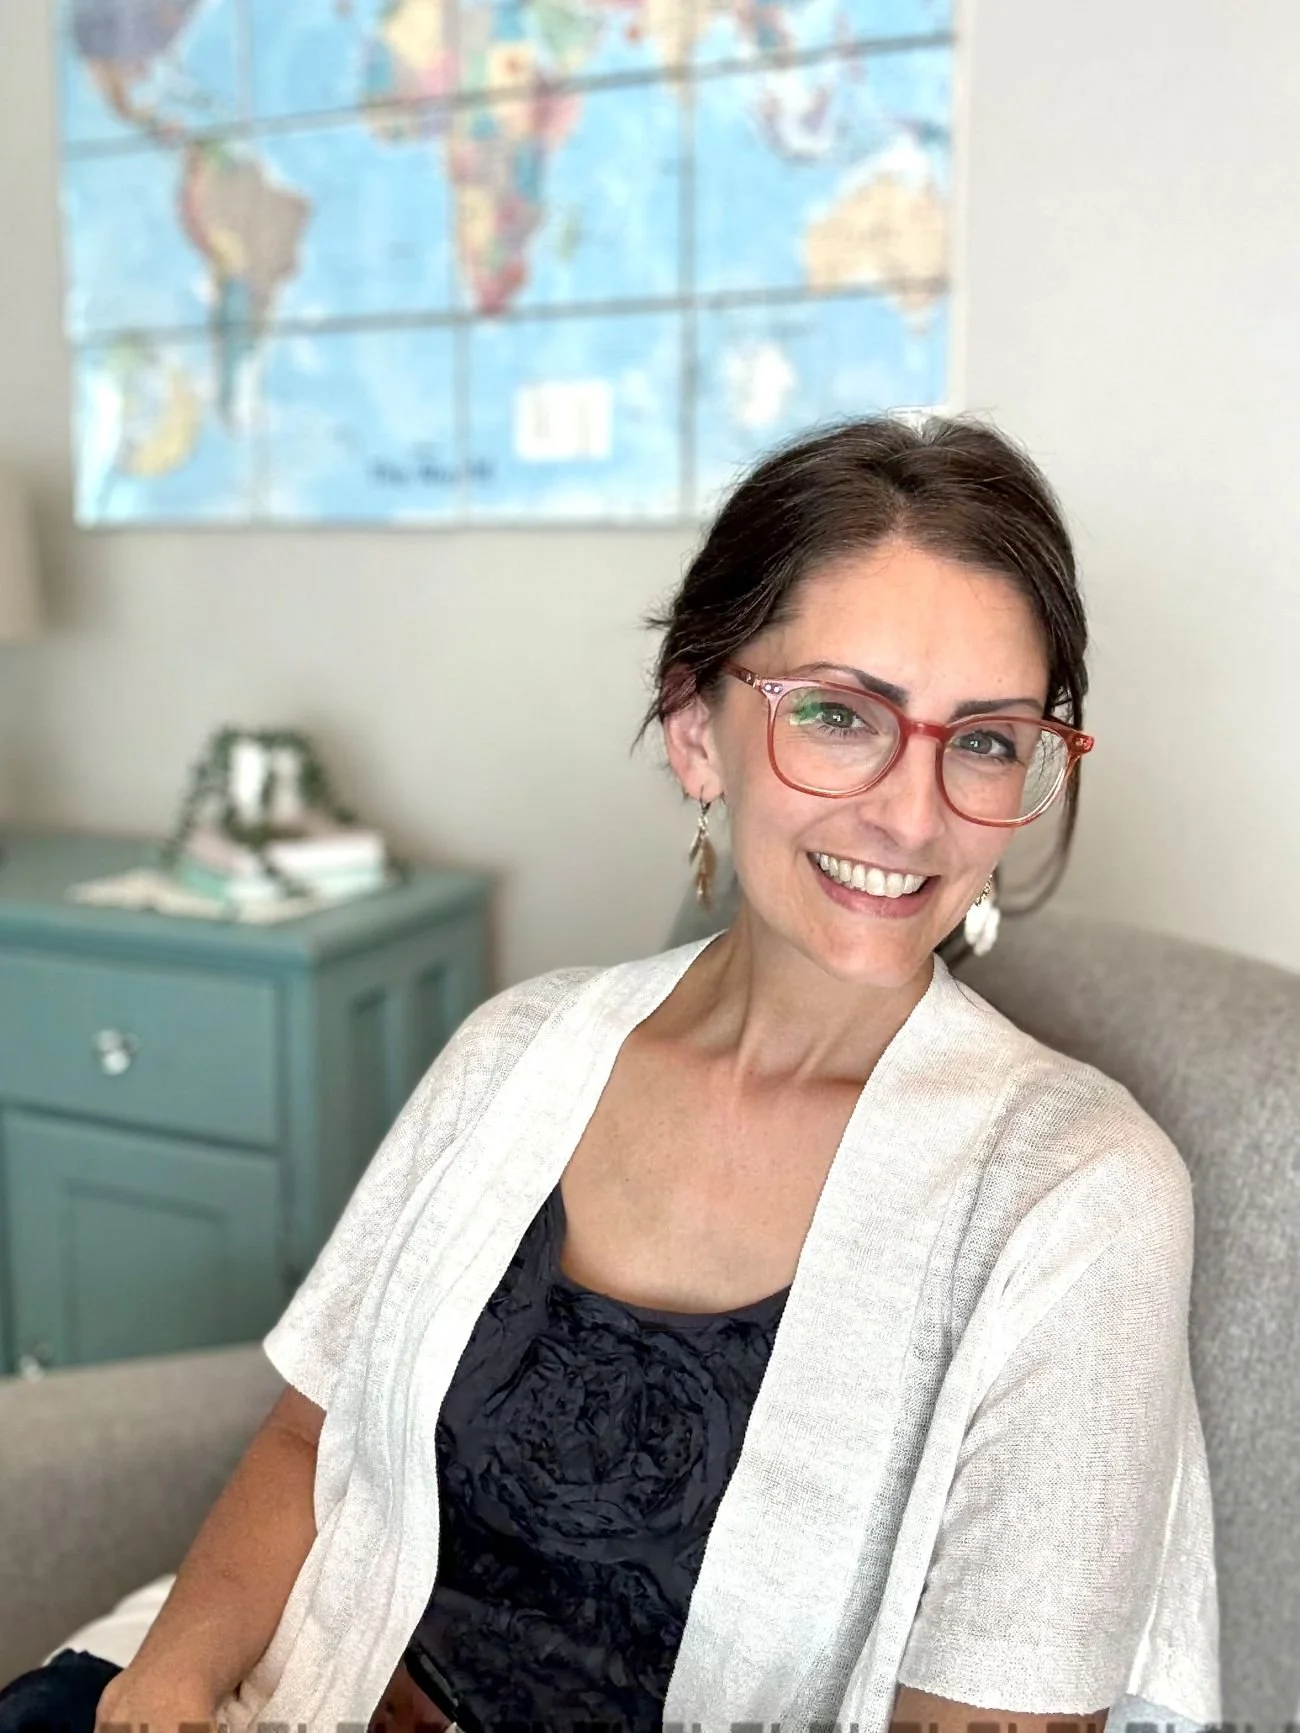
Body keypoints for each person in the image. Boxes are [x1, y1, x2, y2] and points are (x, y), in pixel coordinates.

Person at [0, 415, 1217, 1733]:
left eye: (983, 739)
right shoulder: (519, 1050)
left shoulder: (1078, 1200)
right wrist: (165, 1689)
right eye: (837, 713)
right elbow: (314, 1438)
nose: (914, 815)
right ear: (696, 732)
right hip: (290, 1689)